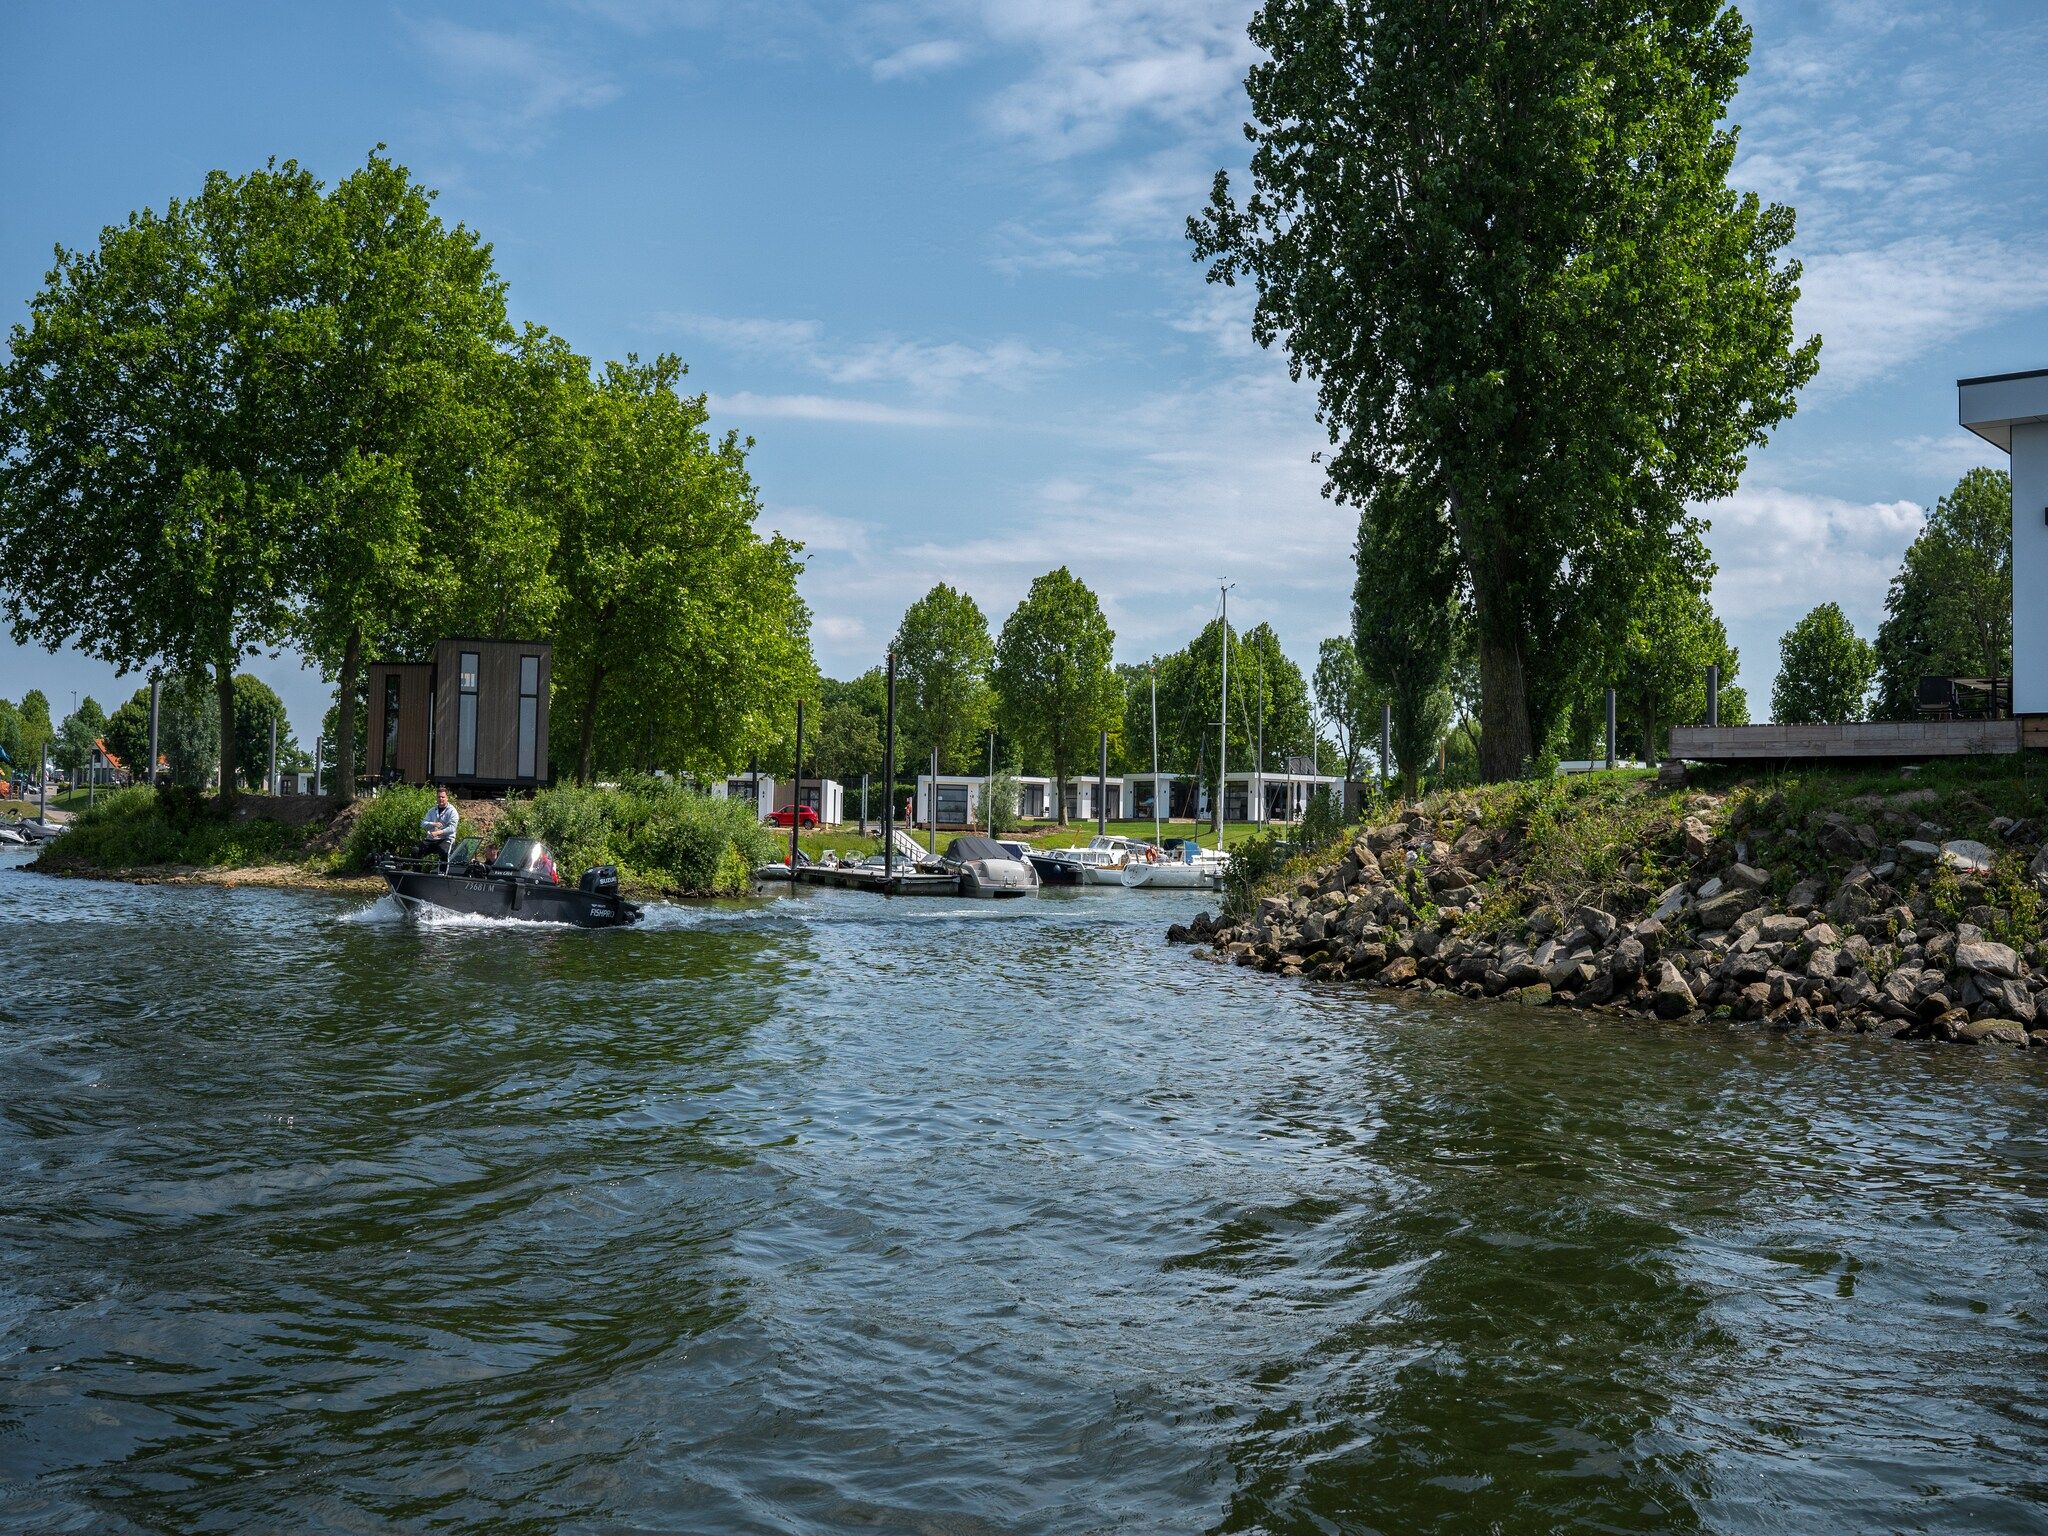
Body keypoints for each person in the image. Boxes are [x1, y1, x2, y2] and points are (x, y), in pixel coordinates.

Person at [417, 788, 459, 866]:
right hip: (432, 839)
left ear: (447, 798)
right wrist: (433, 824)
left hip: (446, 839)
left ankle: (442, 875)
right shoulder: (432, 810)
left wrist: (438, 832)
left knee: (444, 853)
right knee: (416, 851)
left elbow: (452, 828)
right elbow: (423, 824)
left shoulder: (452, 811)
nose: (440, 799)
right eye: (439, 797)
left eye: (443, 797)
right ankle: (417, 873)